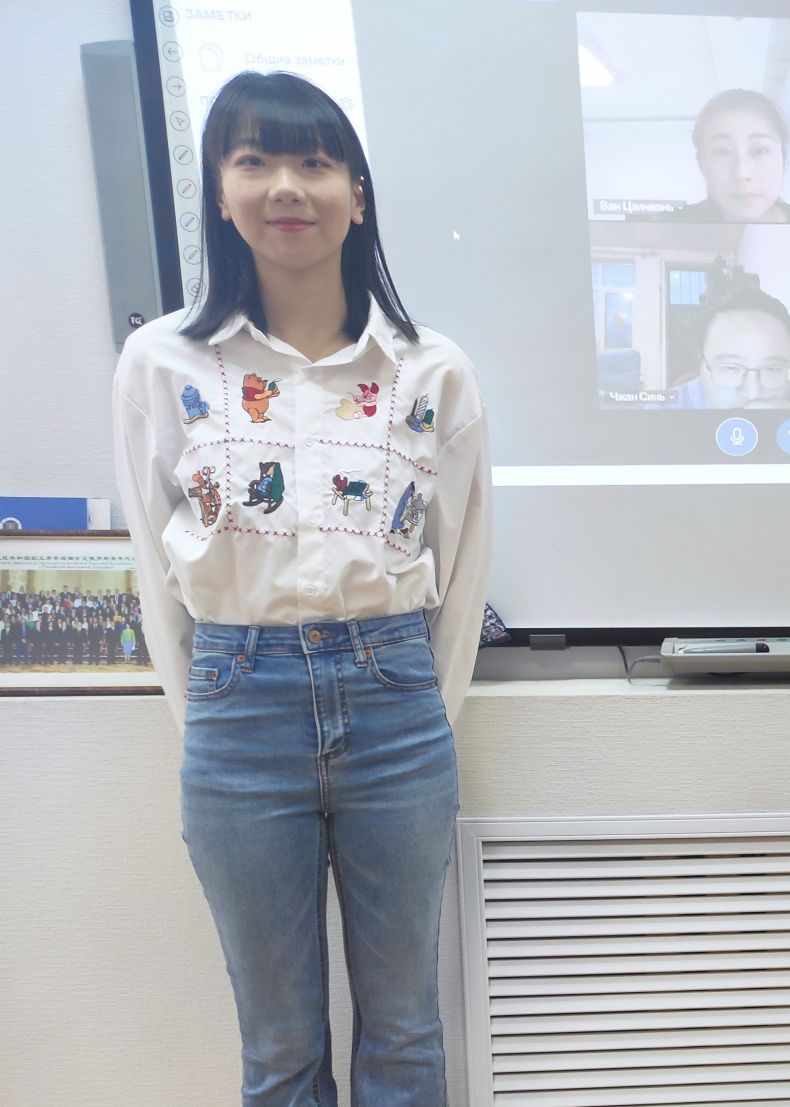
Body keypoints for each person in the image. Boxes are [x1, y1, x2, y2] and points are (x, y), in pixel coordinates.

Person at [111, 71, 490, 1105]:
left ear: (356, 195)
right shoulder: (162, 363)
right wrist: (211, 712)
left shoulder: (431, 370)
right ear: (220, 192)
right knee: (278, 1048)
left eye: (315, 163)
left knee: (405, 1033)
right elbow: (156, 569)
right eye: (254, 161)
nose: (286, 185)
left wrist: (421, 705)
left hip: (397, 709)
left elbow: (462, 570)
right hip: (237, 712)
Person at [655, 89, 790, 224]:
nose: (742, 173)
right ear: (702, 164)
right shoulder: (665, 228)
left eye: (759, 150)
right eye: (723, 152)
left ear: (784, 159)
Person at [667, 285, 790, 410]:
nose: (753, 393)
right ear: (701, 362)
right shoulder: (661, 412)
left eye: (772, 369)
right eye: (730, 368)